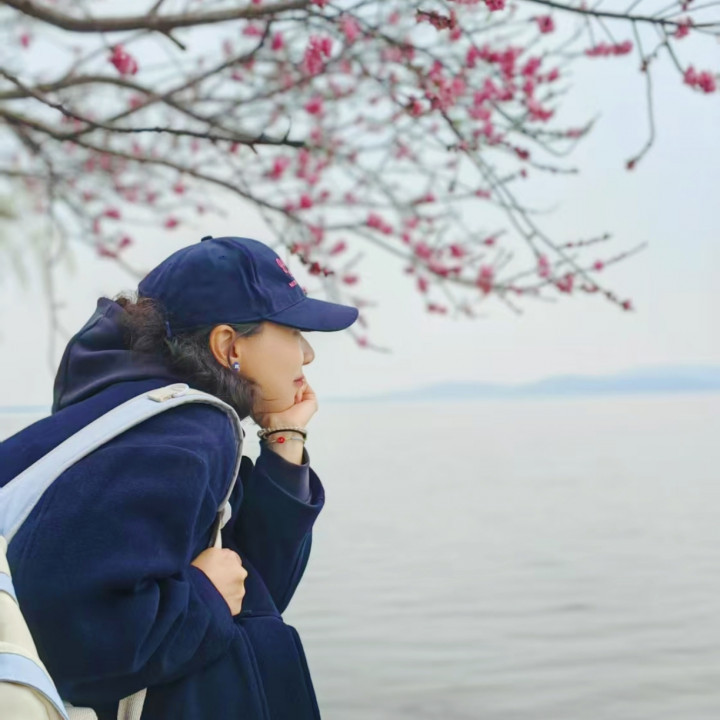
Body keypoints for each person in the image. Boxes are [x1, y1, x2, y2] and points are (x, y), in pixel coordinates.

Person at [0, 235, 359, 720]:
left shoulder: (137, 417)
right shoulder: (185, 432)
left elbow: (255, 588)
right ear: (228, 345)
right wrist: (205, 596)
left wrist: (284, 439)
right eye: (294, 332)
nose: (308, 354)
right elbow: (76, 638)